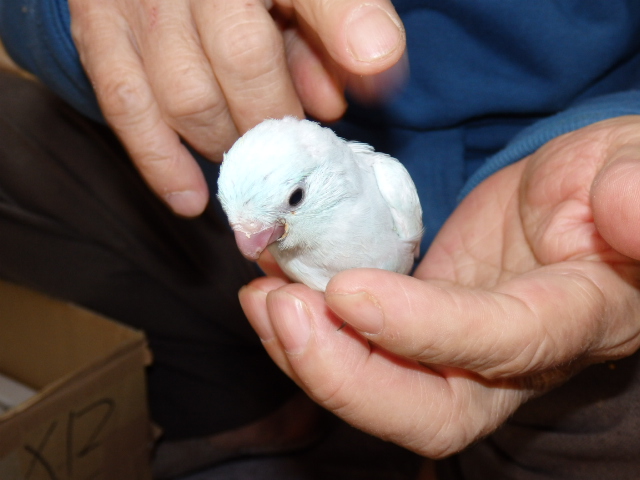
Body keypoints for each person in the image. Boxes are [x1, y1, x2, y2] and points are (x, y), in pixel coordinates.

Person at [1, 1, 640, 479]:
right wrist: (76, 19)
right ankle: (248, 417)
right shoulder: (266, 207)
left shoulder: (384, 184)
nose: (257, 241)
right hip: (222, 156)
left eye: (291, 206)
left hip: (537, 184)